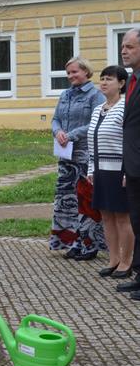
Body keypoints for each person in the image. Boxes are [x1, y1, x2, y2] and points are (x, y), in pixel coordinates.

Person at [49, 56, 105, 259]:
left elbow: (96, 122)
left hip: (84, 156)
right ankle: (72, 242)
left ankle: (89, 245)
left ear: (86, 72)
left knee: (85, 200)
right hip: (66, 157)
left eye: (75, 72)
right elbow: (55, 119)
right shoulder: (65, 95)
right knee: (67, 201)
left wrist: (70, 135)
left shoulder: (95, 95)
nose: (71, 76)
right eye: (68, 73)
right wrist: (57, 132)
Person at [87, 66, 133, 279]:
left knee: (123, 218)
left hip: (119, 171)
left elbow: (131, 142)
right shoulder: (98, 109)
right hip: (100, 171)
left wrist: (128, 170)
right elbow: (91, 142)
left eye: (109, 79)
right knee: (106, 217)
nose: (104, 83)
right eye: (102, 79)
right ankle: (113, 259)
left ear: (122, 84)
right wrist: (91, 169)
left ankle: (127, 261)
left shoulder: (126, 107)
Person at [119, 28, 140, 300]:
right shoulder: (133, 80)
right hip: (134, 166)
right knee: (138, 223)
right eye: (123, 46)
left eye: (130, 47)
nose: (124, 50)